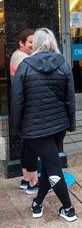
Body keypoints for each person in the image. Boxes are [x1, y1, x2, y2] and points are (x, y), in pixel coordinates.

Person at [11, 28, 77, 221]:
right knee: (49, 165)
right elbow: (70, 98)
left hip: (35, 128)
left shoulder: (25, 65)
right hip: (58, 126)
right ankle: (38, 203)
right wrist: (71, 124)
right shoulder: (63, 64)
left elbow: (17, 101)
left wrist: (16, 128)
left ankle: (68, 209)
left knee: (53, 168)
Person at [10, 28, 40, 195]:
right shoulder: (22, 59)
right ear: (21, 43)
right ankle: (32, 183)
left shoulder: (18, 56)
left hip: (23, 107)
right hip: (28, 108)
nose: (33, 45)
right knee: (31, 146)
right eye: (30, 42)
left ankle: (25, 179)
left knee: (26, 145)